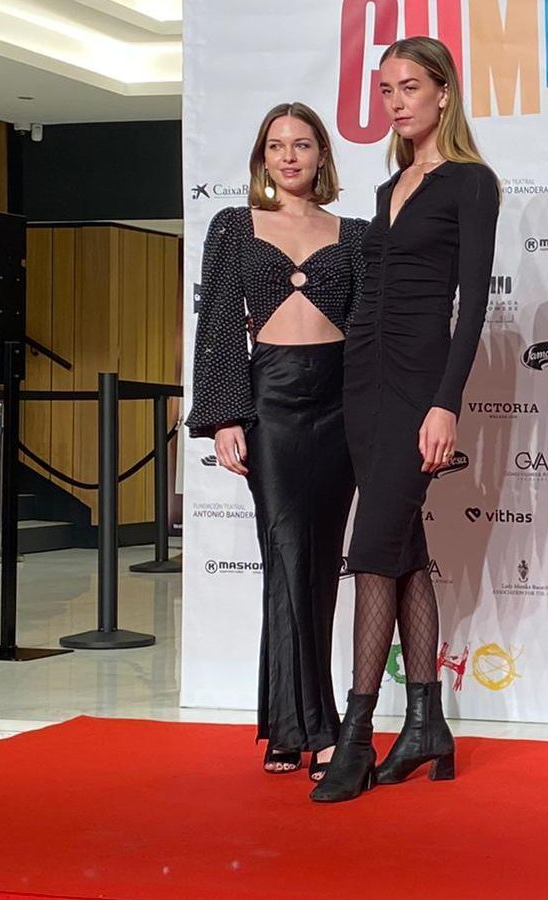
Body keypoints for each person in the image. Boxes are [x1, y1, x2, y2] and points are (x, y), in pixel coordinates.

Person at [313, 36, 500, 804]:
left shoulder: (472, 183)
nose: (396, 101)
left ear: (444, 93)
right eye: (386, 89)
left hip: (420, 383)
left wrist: (445, 401)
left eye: (410, 86)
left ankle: (357, 733)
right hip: (364, 379)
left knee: (371, 552)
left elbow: (474, 303)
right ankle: (427, 721)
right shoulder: (389, 187)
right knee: (404, 550)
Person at [185, 102, 365, 780]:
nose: (289, 156)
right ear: (263, 157)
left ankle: (293, 726)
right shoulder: (233, 227)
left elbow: (370, 330)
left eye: (303, 144)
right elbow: (221, 329)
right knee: (288, 557)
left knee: (321, 564)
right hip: (274, 400)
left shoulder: (355, 234)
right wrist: (226, 414)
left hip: (342, 399)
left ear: (322, 156)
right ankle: (311, 725)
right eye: (276, 145)